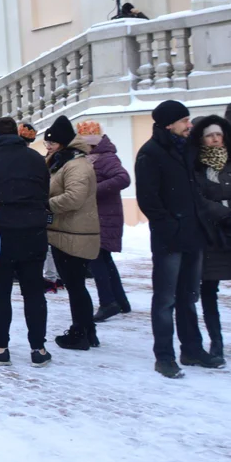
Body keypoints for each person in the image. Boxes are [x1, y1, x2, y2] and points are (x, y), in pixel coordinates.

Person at [135, 100, 225, 379]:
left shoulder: (187, 150)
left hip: (193, 235)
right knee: (165, 300)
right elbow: (148, 200)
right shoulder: (150, 153)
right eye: (185, 121)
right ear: (169, 124)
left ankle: (192, 349)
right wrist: (170, 228)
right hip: (169, 240)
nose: (190, 126)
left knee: (189, 297)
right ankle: (164, 356)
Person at [0, 117, 52, 367]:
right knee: (34, 292)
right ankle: (39, 348)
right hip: (33, 233)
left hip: (0, 233)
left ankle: (1, 348)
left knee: (0, 294)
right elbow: (46, 191)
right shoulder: (35, 158)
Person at [189, 116, 231, 357]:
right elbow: (197, 197)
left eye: (218, 134)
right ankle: (216, 342)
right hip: (210, 235)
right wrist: (223, 214)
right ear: (202, 139)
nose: (215, 139)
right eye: (209, 135)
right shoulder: (195, 166)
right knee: (209, 291)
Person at [43, 115, 101, 351]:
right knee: (76, 285)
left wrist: (46, 204)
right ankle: (86, 330)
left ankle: (81, 333)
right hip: (67, 231)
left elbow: (74, 198)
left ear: (64, 142)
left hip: (74, 233)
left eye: (52, 143)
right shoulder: (64, 161)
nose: (47, 146)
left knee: (76, 286)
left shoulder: (76, 164)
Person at [75, 121, 133, 322]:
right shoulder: (91, 158)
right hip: (98, 216)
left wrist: (93, 190)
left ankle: (108, 303)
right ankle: (121, 301)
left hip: (103, 217)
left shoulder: (105, 158)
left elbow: (123, 178)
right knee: (104, 260)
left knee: (97, 259)